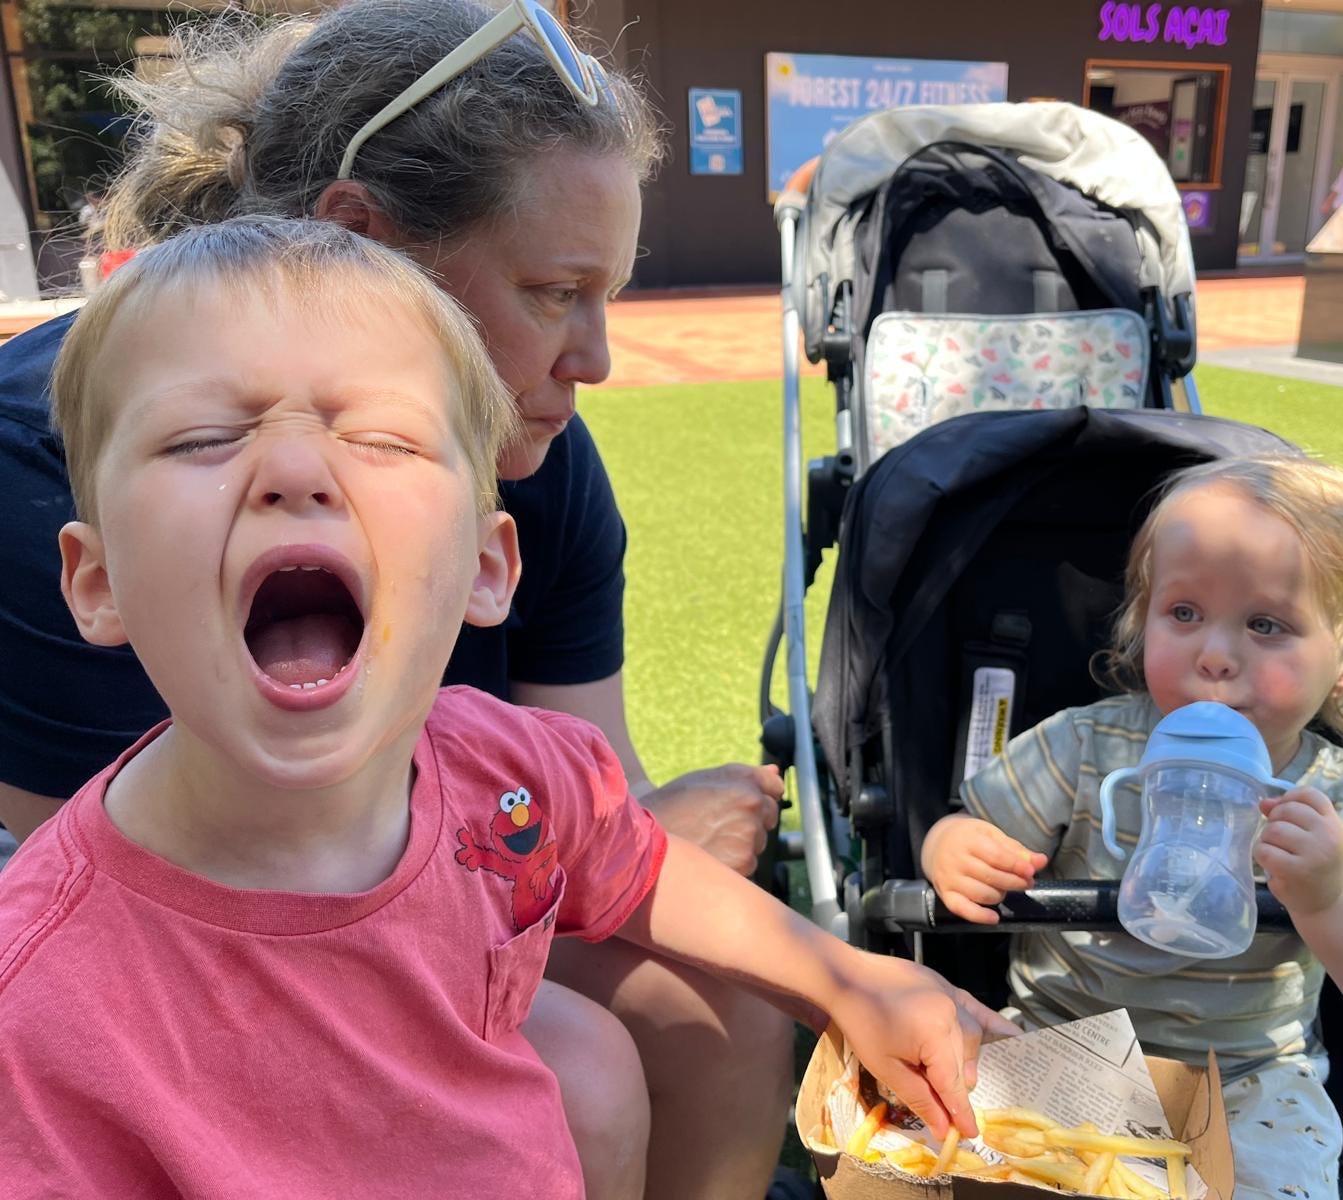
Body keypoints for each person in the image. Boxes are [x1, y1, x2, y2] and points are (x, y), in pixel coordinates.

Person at [0, 215, 1016, 1198]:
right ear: (97, 583)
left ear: (486, 568)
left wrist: (847, 981)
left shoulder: (502, 774)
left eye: (382, 439)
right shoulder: (45, 992)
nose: (297, 471)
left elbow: (634, 866)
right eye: (204, 439)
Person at [0, 3, 795, 1195]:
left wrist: (618, 833)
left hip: (439, 868)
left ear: (489, 556)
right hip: (200, 945)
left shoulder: (530, 450)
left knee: (723, 1003)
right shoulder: (51, 467)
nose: (595, 357)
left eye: (609, 296)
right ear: (364, 238)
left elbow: (589, 783)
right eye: (552, 290)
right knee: (574, 1066)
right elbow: (170, 914)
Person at [920, 454, 1343, 1200]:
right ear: (1141, 620)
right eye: (1184, 614)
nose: (1214, 656)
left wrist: (1331, 901)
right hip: (1057, 1044)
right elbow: (966, 829)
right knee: (951, 1161)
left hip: (1244, 1083)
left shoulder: (1337, 800)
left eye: (1266, 624)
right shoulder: (1083, 746)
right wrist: (952, 848)